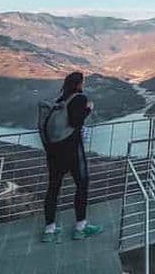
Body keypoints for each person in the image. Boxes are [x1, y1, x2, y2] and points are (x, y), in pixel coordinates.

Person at [41, 71, 104, 242]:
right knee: (82, 185)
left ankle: (49, 230)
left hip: (54, 152)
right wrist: (89, 109)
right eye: (82, 82)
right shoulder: (79, 99)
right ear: (79, 84)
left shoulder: (60, 101)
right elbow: (76, 121)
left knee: (53, 188)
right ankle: (80, 227)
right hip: (72, 150)